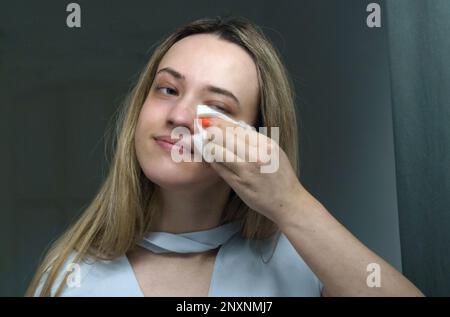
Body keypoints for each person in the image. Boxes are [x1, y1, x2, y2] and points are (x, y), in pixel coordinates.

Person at [27, 16, 424, 297]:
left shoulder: (301, 268)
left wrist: (290, 203)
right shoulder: (69, 279)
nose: (179, 116)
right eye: (167, 89)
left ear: (256, 139)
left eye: (216, 106)